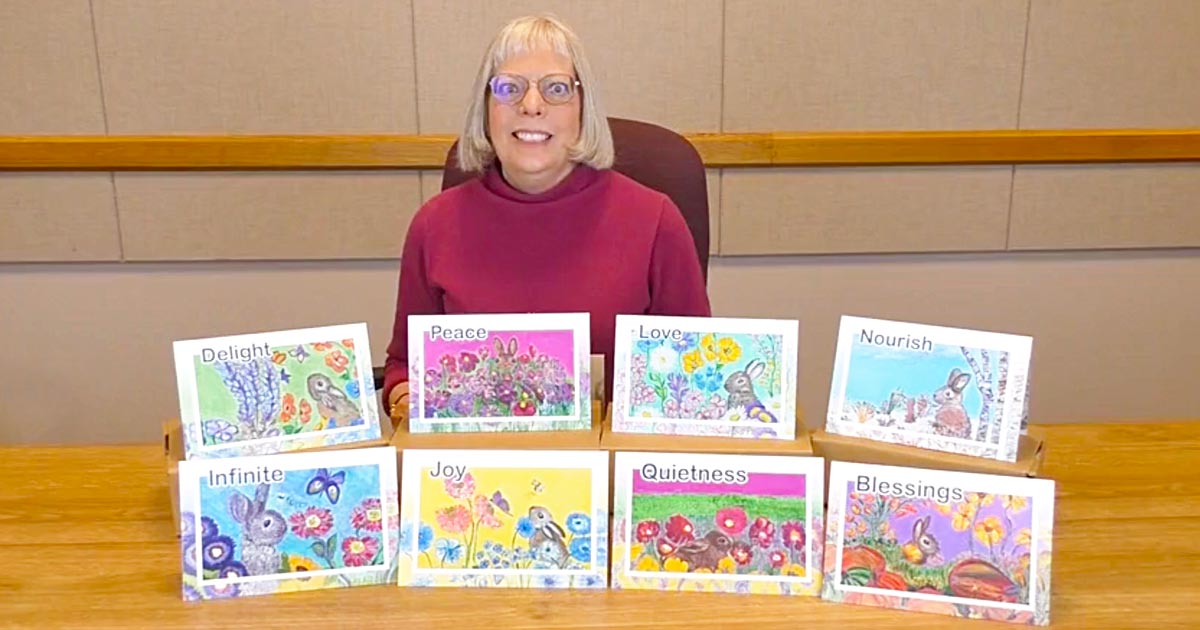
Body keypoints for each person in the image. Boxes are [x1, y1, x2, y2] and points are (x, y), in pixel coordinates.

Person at [382, 14, 710, 418]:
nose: (531, 106)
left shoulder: (656, 221)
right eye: (508, 89)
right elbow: (402, 368)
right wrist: (405, 397)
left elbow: (693, 380)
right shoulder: (434, 225)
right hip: (475, 472)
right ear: (485, 110)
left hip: (608, 470)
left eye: (556, 89)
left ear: (583, 109)